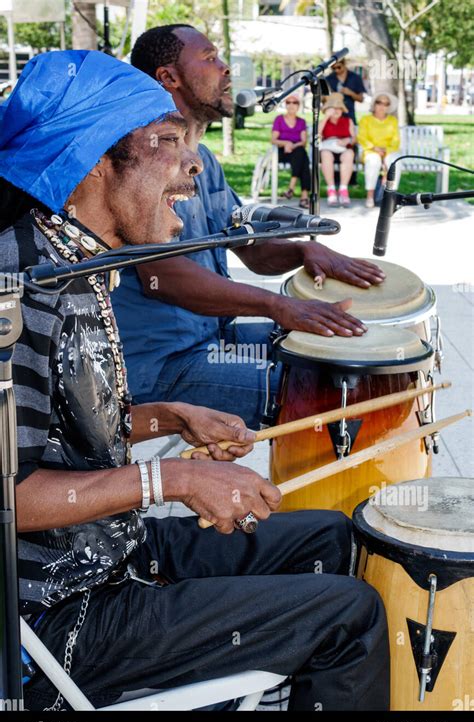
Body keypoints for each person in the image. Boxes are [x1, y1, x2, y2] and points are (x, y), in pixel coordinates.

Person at [1, 50, 390, 712]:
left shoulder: (78, 262)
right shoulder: (19, 289)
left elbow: (56, 432)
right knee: (349, 612)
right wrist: (173, 478)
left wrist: (174, 417)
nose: (193, 165)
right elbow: (12, 493)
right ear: (94, 158)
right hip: (63, 612)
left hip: (115, 552)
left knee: (332, 535)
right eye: (163, 142)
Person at [111, 24, 386, 430]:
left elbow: (245, 246)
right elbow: (163, 275)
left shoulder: (203, 158)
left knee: (350, 353)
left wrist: (302, 251)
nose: (226, 70)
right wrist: (278, 305)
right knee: (337, 397)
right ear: (168, 77)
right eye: (210, 59)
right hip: (162, 364)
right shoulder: (142, 157)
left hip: (212, 340)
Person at [357, 91, 401, 208]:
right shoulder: (365, 120)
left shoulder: (393, 121)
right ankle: (370, 196)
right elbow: (362, 138)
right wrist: (374, 148)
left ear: (388, 107)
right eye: (379, 102)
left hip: (388, 151)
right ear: (374, 104)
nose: (382, 106)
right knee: (373, 160)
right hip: (370, 150)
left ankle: (391, 197)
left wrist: (385, 152)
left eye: (386, 104)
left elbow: (396, 141)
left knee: (395, 162)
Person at [271, 94, 311, 208]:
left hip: (296, 151)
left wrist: (292, 145)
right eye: (288, 102)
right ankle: (304, 197)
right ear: (285, 105)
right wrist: (285, 143)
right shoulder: (279, 119)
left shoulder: (301, 121)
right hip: (282, 152)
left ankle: (291, 189)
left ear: (299, 106)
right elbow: (273, 140)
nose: (291, 105)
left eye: (295, 102)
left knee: (301, 153)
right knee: (303, 158)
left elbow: (303, 141)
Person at [318, 92, 356, 207]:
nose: (336, 110)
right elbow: (317, 134)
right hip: (327, 147)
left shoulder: (348, 121)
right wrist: (326, 117)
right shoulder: (324, 121)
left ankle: (343, 190)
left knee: (349, 154)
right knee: (325, 154)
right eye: (333, 108)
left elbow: (354, 138)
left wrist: (347, 140)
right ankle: (331, 190)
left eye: (339, 108)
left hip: (343, 147)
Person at [325, 57, 366, 124]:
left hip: (349, 116)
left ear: (344, 64)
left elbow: (361, 99)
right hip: (332, 118)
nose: (336, 70)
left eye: (338, 67)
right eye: (333, 68)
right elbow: (323, 99)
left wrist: (351, 93)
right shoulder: (328, 79)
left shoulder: (355, 78)